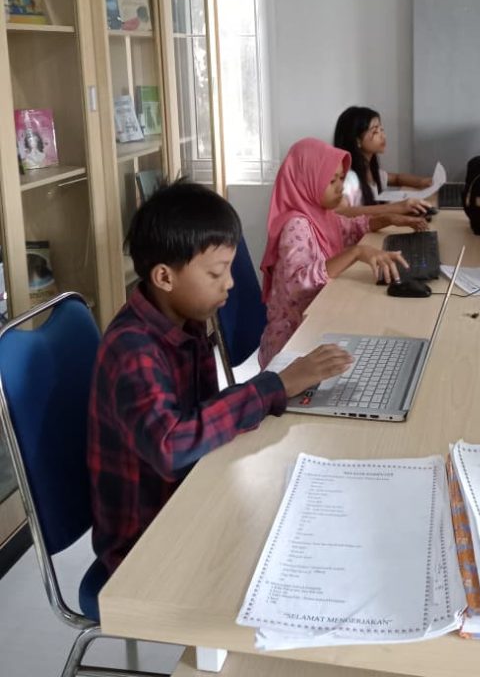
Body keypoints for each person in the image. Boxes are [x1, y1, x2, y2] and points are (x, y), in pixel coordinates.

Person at [87, 179, 353, 579]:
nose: (229, 283)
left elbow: (202, 414)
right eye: (217, 273)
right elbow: (172, 445)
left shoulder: (185, 319)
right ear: (164, 277)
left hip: (192, 491)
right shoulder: (133, 350)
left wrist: (278, 391)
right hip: (146, 541)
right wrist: (276, 386)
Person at [259, 137, 407, 367]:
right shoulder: (296, 224)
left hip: (317, 320)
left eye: (341, 178)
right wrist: (356, 253)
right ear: (308, 181)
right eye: (331, 181)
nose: (340, 187)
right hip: (293, 342)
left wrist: (388, 218)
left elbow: (351, 227)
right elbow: (298, 283)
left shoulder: (321, 214)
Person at [333, 106, 432, 217]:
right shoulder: (350, 179)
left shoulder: (371, 171)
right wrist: (396, 208)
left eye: (382, 130)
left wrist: (423, 182)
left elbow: (396, 178)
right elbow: (339, 211)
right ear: (357, 141)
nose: (383, 136)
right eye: (375, 131)